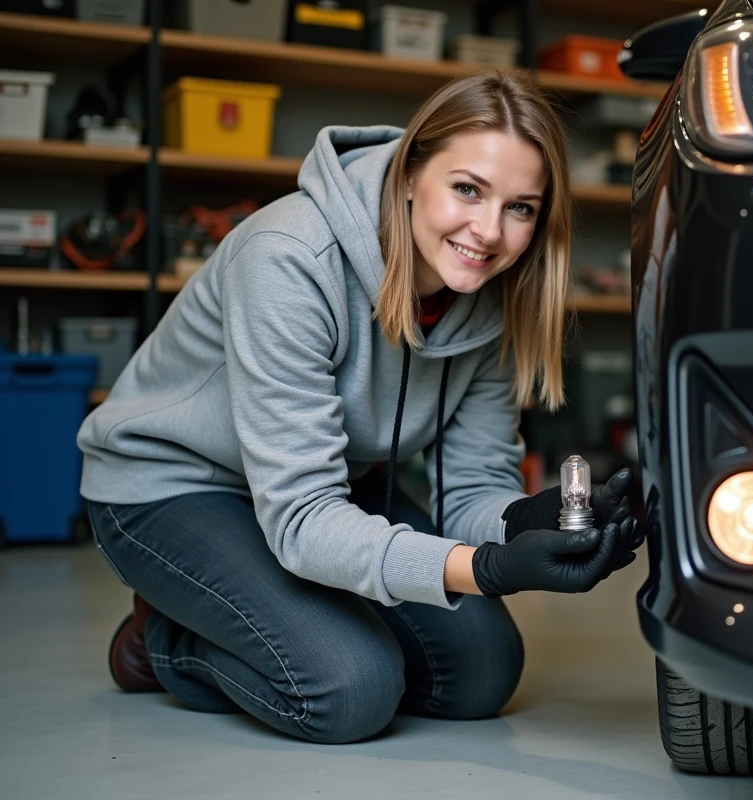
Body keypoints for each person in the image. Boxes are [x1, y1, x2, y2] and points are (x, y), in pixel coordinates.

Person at [76, 70, 642, 745]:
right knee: (350, 688)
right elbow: (303, 519)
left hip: (326, 491)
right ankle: (167, 639)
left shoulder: (491, 296)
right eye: (467, 189)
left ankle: (275, 617)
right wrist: (485, 568)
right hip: (172, 489)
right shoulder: (287, 256)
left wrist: (530, 518)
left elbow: (469, 496)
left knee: (480, 674)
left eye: (521, 207)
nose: (489, 231)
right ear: (409, 175)